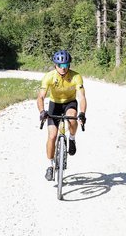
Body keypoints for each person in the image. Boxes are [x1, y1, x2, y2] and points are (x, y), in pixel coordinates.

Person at [36, 49, 87, 181]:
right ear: (55, 65)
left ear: (69, 65)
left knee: (72, 118)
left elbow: (82, 97)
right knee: (52, 136)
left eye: (65, 65)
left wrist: (82, 113)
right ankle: (50, 165)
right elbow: (41, 97)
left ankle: (72, 138)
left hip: (70, 103)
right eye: (60, 65)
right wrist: (42, 111)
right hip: (55, 105)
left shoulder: (76, 77)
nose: (63, 68)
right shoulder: (49, 77)